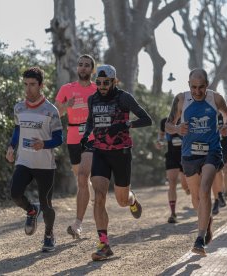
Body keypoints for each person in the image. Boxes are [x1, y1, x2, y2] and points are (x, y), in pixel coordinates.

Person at [81, 64, 152, 261]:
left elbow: (147, 120)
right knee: (100, 196)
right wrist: (86, 135)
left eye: (106, 83)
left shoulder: (123, 97)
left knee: (121, 200)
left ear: (114, 82)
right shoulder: (92, 99)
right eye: (99, 83)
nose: (102, 86)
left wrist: (125, 124)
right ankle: (104, 244)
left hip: (121, 153)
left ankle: (132, 199)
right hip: (100, 152)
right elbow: (90, 121)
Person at [165, 68, 227, 256]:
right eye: (194, 87)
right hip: (189, 155)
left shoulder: (215, 99)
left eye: (201, 87)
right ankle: (207, 221)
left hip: (212, 151)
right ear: (189, 85)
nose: (197, 91)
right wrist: (177, 128)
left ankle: (199, 238)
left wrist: (226, 126)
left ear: (207, 85)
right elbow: (167, 125)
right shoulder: (181, 99)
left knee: (205, 191)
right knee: (196, 197)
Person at [6, 67, 63, 252]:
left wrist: (44, 144)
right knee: (15, 193)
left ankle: (49, 234)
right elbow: (17, 130)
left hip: (45, 164)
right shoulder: (19, 107)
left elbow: (59, 138)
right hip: (24, 161)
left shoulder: (51, 110)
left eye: (32, 84)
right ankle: (31, 210)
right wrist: (11, 147)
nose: (28, 88)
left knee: (47, 205)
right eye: (25, 84)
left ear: (41, 85)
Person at [55, 54, 97, 239]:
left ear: (92, 70)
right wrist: (66, 105)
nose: (83, 68)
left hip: (93, 137)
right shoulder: (67, 89)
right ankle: (91, 195)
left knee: (82, 177)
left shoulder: (98, 89)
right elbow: (56, 113)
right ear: (76, 68)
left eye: (87, 65)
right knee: (81, 181)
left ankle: (78, 224)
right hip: (73, 138)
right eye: (80, 65)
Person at [156, 117, 189, 223]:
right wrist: (160, 142)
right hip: (171, 156)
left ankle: (189, 190)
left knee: (185, 185)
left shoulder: (187, 119)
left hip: (186, 155)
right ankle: (173, 213)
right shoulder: (165, 121)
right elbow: (161, 135)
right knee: (172, 183)